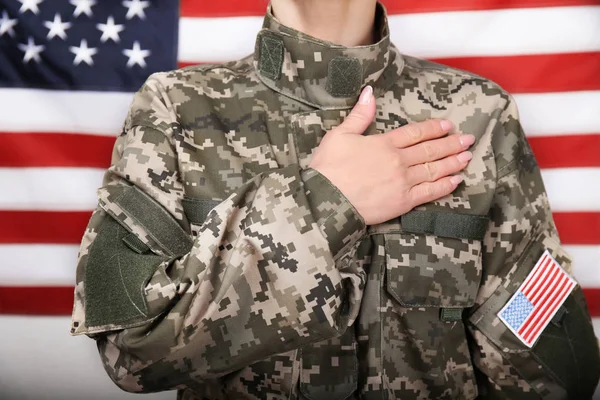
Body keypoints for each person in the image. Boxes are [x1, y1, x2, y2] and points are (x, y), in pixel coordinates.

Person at [70, 0, 600, 398]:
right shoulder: (175, 109)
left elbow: (555, 372)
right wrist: (326, 203)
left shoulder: (475, 116)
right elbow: (129, 347)